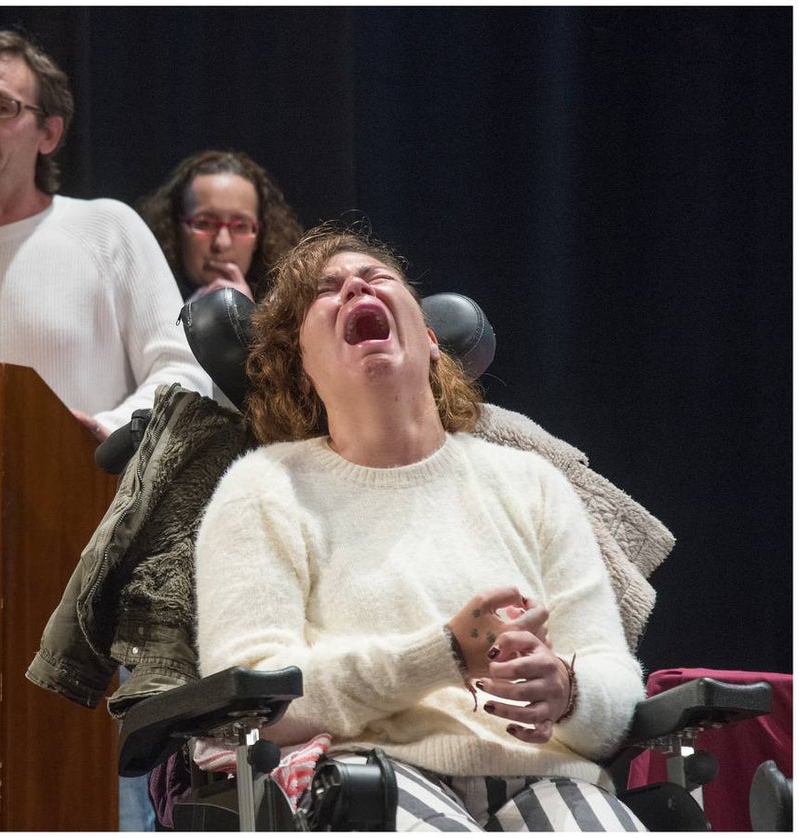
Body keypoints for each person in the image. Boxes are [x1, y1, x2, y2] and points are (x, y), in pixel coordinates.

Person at [194, 224, 648, 831]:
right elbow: (252, 700)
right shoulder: (264, 489)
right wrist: (441, 655)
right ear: (299, 367)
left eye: (377, 277)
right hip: (371, 776)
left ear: (431, 340)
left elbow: (618, 684)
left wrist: (568, 690)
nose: (356, 285)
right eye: (327, 291)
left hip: (550, 777)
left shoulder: (531, 483)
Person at [0, 30, 210, 441]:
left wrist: (105, 430)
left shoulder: (106, 230)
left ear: (48, 134)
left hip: (85, 495)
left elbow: (184, 373)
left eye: (1, 108)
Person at [137, 150, 302, 304]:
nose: (222, 244)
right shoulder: (140, 302)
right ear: (176, 230)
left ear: (260, 236)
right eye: (204, 224)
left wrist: (249, 319)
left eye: (240, 226)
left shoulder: (289, 312)